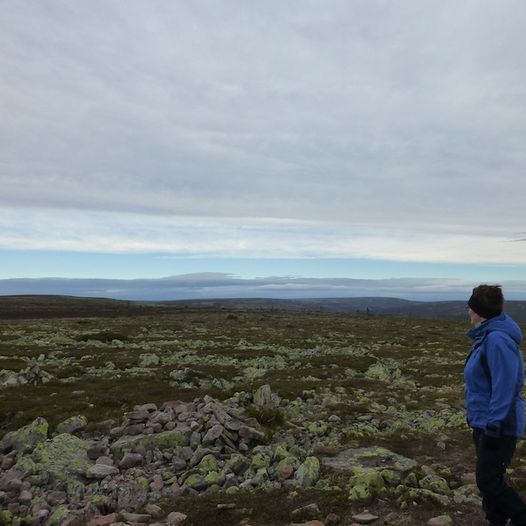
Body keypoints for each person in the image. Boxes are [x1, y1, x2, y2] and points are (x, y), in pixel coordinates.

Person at [464, 284, 526, 526]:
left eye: (471, 306)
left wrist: (494, 424)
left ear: (480, 311)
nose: (468, 309)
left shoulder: (497, 340)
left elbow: (505, 386)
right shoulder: (488, 336)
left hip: (498, 425)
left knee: (487, 480)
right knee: (491, 479)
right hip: (485, 421)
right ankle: (495, 521)